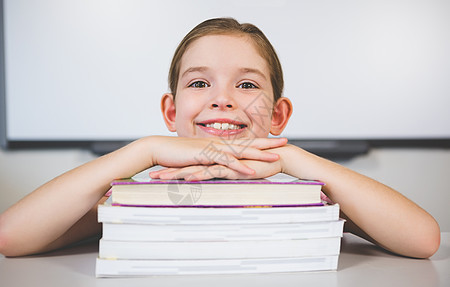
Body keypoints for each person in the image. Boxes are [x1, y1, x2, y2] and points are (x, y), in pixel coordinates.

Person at [0, 18, 440, 258]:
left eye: (247, 86)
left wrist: (290, 158)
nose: (223, 100)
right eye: (199, 84)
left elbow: (422, 240)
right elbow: (11, 236)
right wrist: (144, 150)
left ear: (278, 115)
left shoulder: (302, 194)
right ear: (171, 113)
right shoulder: (147, 196)